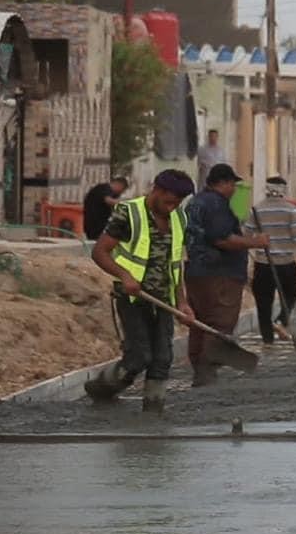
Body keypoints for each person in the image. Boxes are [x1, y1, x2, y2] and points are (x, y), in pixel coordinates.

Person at [85, 170, 196, 413]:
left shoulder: (179, 218)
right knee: (139, 357)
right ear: (156, 190)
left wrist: (182, 302)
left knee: (163, 359)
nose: (172, 207)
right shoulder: (128, 212)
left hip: (163, 298)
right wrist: (125, 276)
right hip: (132, 297)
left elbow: (175, 264)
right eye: (168, 201)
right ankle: (101, 389)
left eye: (177, 203)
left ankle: (153, 414)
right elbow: (99, 252)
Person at [185, 163, 269, 387]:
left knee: (201, 323)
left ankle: (201, 370)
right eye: (232, 184)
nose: (234, 189)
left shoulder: (195, 202)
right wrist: (255, 242)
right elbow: (222, 239)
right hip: (219, 274)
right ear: (223, 183)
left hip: (196, 273)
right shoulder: (216, 204)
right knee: (220, 322)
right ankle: (207, 371)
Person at [243, 175, 296, 344]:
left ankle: (267, 340)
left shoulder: (256, 210)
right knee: (291, 294)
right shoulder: (290, 210)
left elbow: (246, 236)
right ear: (283, 190)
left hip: (263, 264)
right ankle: (281, 321)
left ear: (267, 189)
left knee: (263, 302)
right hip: (286, 264)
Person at [83, 176, 130, 240]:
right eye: (122, 190)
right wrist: (127, 203)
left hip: (100, 226)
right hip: (96, 226)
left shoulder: (111, 193)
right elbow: (109, 201)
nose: (121, 192)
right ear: (119, 184)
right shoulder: (104, 188)